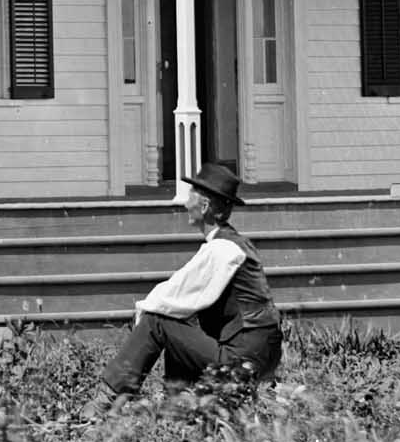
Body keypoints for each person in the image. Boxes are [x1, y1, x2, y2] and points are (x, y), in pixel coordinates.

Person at [99, 158, 284, 393]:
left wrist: (143, 312)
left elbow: (174, 293)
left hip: (240, 362)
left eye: (190, 196)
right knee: (176, 321)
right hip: (253, 358)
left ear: (205, 206)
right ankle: (178, 409)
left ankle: (104, 402)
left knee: (158, 321)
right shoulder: (233, 243)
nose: (186, 203)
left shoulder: (221, 249)